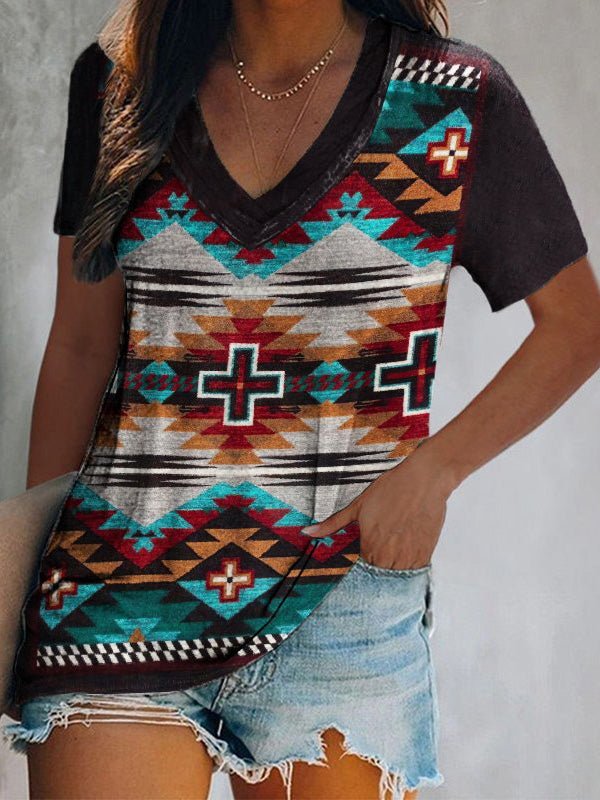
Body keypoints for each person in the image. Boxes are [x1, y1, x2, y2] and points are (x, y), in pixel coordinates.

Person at [2, 0, 599, 798]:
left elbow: (576, 328)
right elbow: (81, 345)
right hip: (115, 594)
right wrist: (26, 578)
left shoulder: (453, 100)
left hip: (341, 608)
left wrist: (434, 473)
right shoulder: (121, 83)